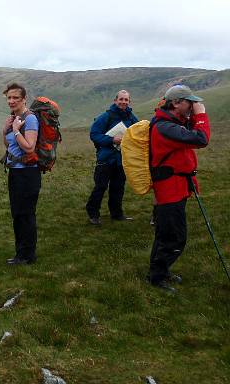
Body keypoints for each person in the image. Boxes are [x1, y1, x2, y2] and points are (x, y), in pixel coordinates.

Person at [148, 85, 210, 293]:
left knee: (166, 233)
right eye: (189, 102)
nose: (192, 105)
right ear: (175, 103)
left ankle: (159, 271)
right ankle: (157, 277)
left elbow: (188, 131)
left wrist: (192, 115)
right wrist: (201, 116)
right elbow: (200, 139)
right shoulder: (164, 127)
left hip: (176, 186)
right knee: (174, 236)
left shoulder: (171, 123)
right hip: (169, 189)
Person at [86, 90, 138, 225]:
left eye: (126, 100)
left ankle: (117, 214)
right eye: (121, 99)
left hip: (122, 160)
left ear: (129, 102)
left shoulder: (132, 118)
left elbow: (138, 133)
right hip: (106, 158)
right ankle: (93, 214)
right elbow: (94, 134)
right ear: (115, 101)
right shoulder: (106, 116)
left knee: (118, 187)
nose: (123, 102)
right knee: (100, 186)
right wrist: (111, 140)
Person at [2, 83, 41, 265]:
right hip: (15, 172)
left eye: (15, 98)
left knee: (26, 214)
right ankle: (21, 253)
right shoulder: (13, 118)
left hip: (28, 174)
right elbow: (9, 145)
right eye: (9, 97)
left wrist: (16, 130)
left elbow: (29, 147)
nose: (11, 101)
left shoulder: (30, 119)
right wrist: (6, 130)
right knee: (18, 214)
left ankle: (28, 255)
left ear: (24, 99)